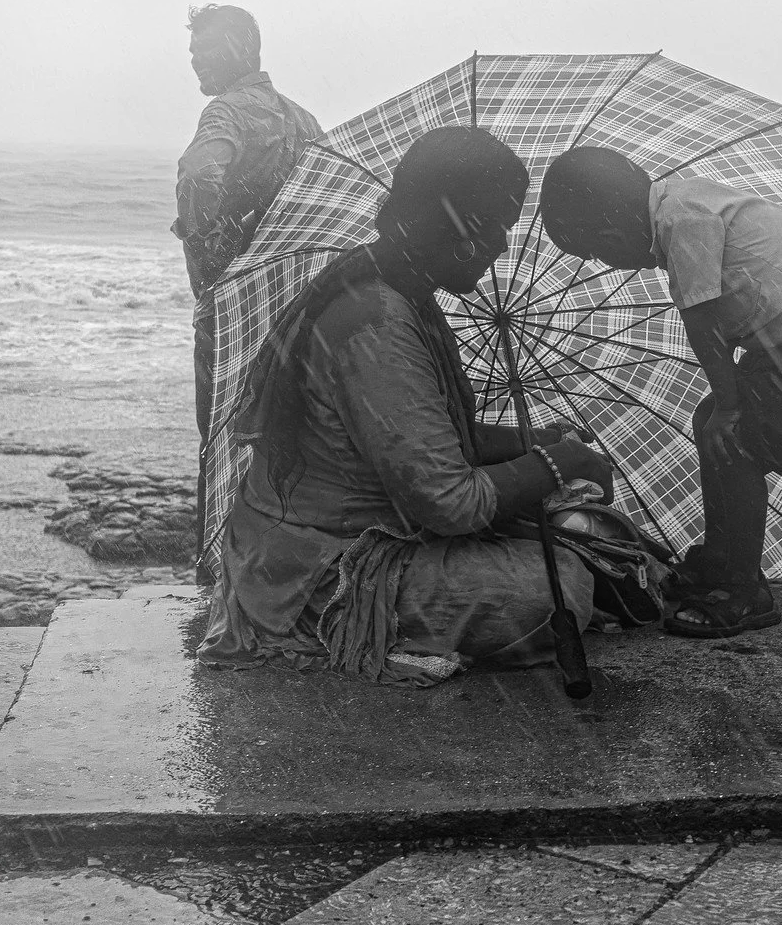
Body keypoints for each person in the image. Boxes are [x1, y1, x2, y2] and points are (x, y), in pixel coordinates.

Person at [209, 126, 614, 684]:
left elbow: (427, 442)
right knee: (558, 587)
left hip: (345, 541)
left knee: (583, 529)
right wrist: (554, 466)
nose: (500, 242)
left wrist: (533, 441)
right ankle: (346, 630)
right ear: (438, 216)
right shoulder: (376, 321)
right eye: (490, 221)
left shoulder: (404, 292)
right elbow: (449, 503)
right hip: (327, 572)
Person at [538, 148, 782, 639]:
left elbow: (702, 324)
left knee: (734, 438)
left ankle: (743, 591)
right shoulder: (686, 202)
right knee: (713, 425)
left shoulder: (685, 221)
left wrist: (729, 405)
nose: (610, 261)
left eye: (598, 250)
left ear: (613, 230)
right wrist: (722, 405)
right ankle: (721, 560)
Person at [175, 3, 323, 573]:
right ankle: (281, 569)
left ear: (239, 48)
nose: (194, 64)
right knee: (288, 440)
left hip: (234, 308)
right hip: (297, 308)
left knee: (220, 440)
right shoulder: (304, 121)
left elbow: (199, 174)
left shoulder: (225, 114)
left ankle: (220, 575)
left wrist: (211, 250)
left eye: (203, 52)